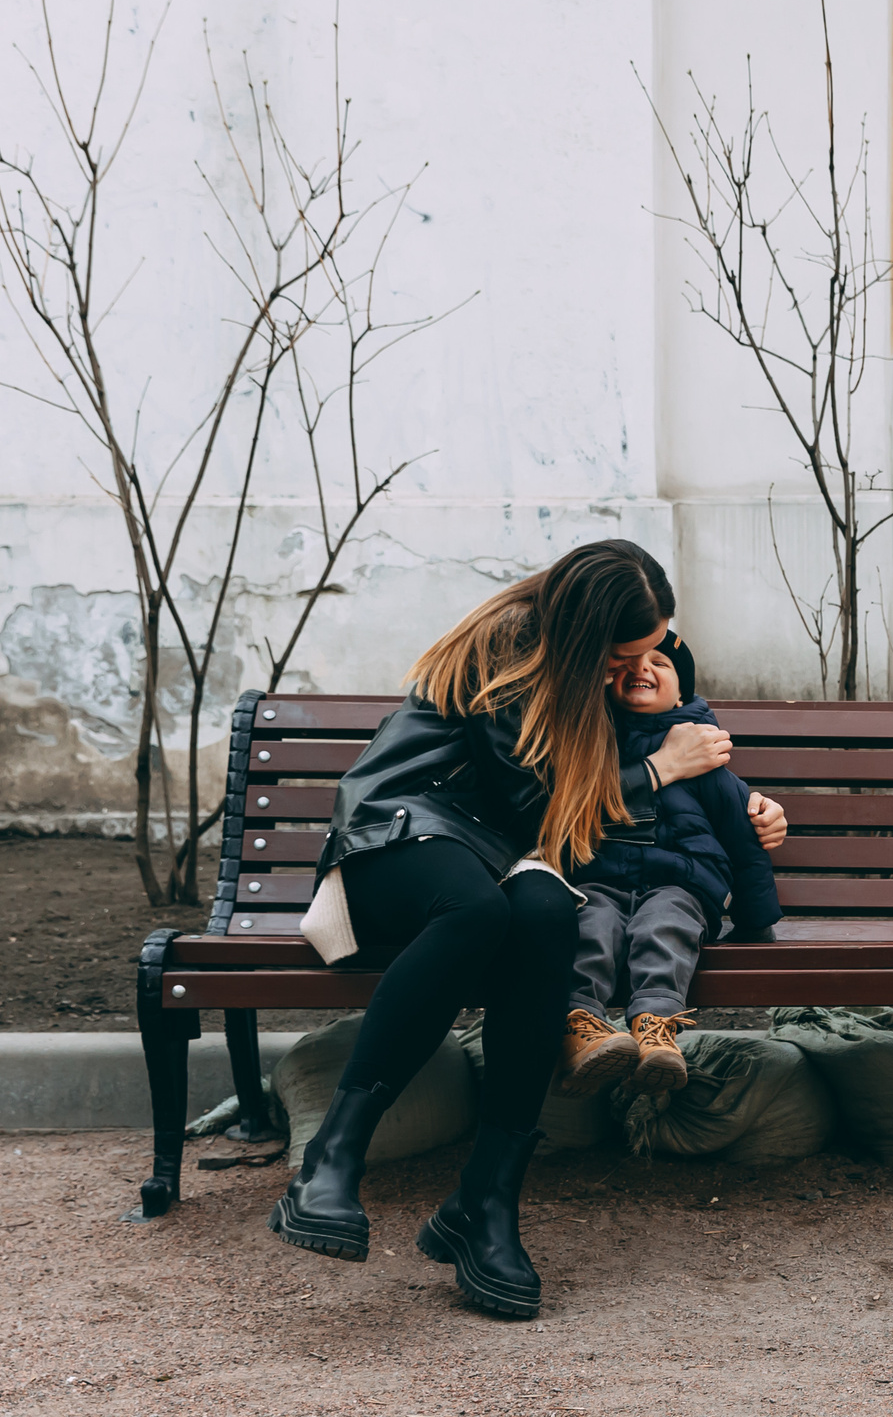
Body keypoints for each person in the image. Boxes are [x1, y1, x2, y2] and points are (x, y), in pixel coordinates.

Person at [268, 540, 788, 1319]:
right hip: (401, 832)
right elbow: (545, 801)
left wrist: (744, 805)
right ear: (586, 638)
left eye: (651, 651)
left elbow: (573, 812)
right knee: (480, 911)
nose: (635, 668)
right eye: (624, 655)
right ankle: (332, 1158)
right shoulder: (509, 648)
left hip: (499, 853)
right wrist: (660, 770)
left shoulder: (582, 676)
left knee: (549, 912)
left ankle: (487, 1200)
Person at [558, 631, 782, 1097]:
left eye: (659, 662)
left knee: (665, 925)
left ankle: (655, 1027)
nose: (642, 668)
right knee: (590, 924)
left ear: (683, 692)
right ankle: (582, 1028)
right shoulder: (589, 746)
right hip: (600, 879)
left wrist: (756, 921)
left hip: (681, 884)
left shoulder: (708, 760)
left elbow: (745, 841)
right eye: (629, 661)